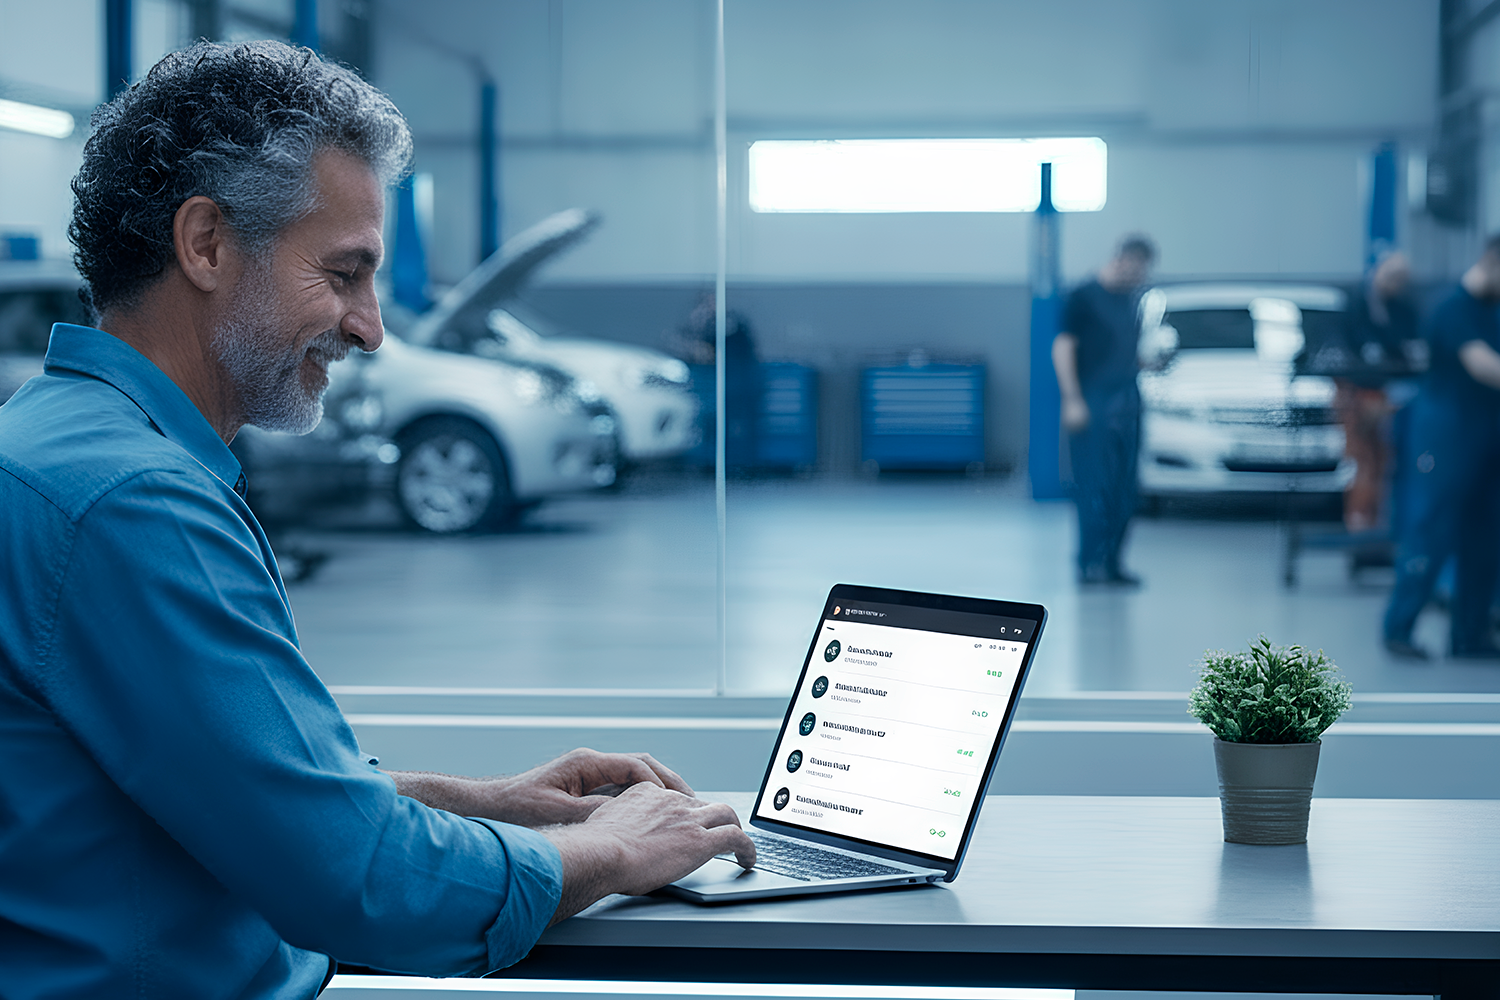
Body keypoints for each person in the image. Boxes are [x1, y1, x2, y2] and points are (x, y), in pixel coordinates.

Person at [0, 41, 753, 998]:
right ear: (206, 245)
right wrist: (610, 851)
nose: (370, 326)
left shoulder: (48, 447)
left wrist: (489, 805)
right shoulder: (130, 505)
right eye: (345, 273)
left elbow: (232, 793)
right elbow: (354, 877)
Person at [1382, 236, 1500, 660]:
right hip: (1447, 440)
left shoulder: (1492, 311)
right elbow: (1482, 364)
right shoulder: (1451, 308)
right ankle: (1399, 627)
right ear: (1492, 260)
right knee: (1432, 531)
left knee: (1486, 538)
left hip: (1488, 442)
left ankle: (1470, 635)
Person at [1053, 235, 1157, 586]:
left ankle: (1113, 564)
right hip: (1092, 400)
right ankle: (1088, 564)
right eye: (1136, 268)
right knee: (1093, 485)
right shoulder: (1082, 297)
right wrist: (1072, 399)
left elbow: (1124, 350)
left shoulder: (1132, 301)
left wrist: (1148, 363)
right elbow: (1063, 347)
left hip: (1128, 399)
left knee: (1124, 489)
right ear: (1121, 259)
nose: (1139, 277)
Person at [1334, 251, 1420, 532]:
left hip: (1391, 395)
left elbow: (1408, 344)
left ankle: (1383, 529)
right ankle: (1360, 528)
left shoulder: (1401, 308)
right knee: (1364, 464)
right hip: (1360, 395)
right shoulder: (1354, 305)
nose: (1396, 285)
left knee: (1386, 464)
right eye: (1393, 278)